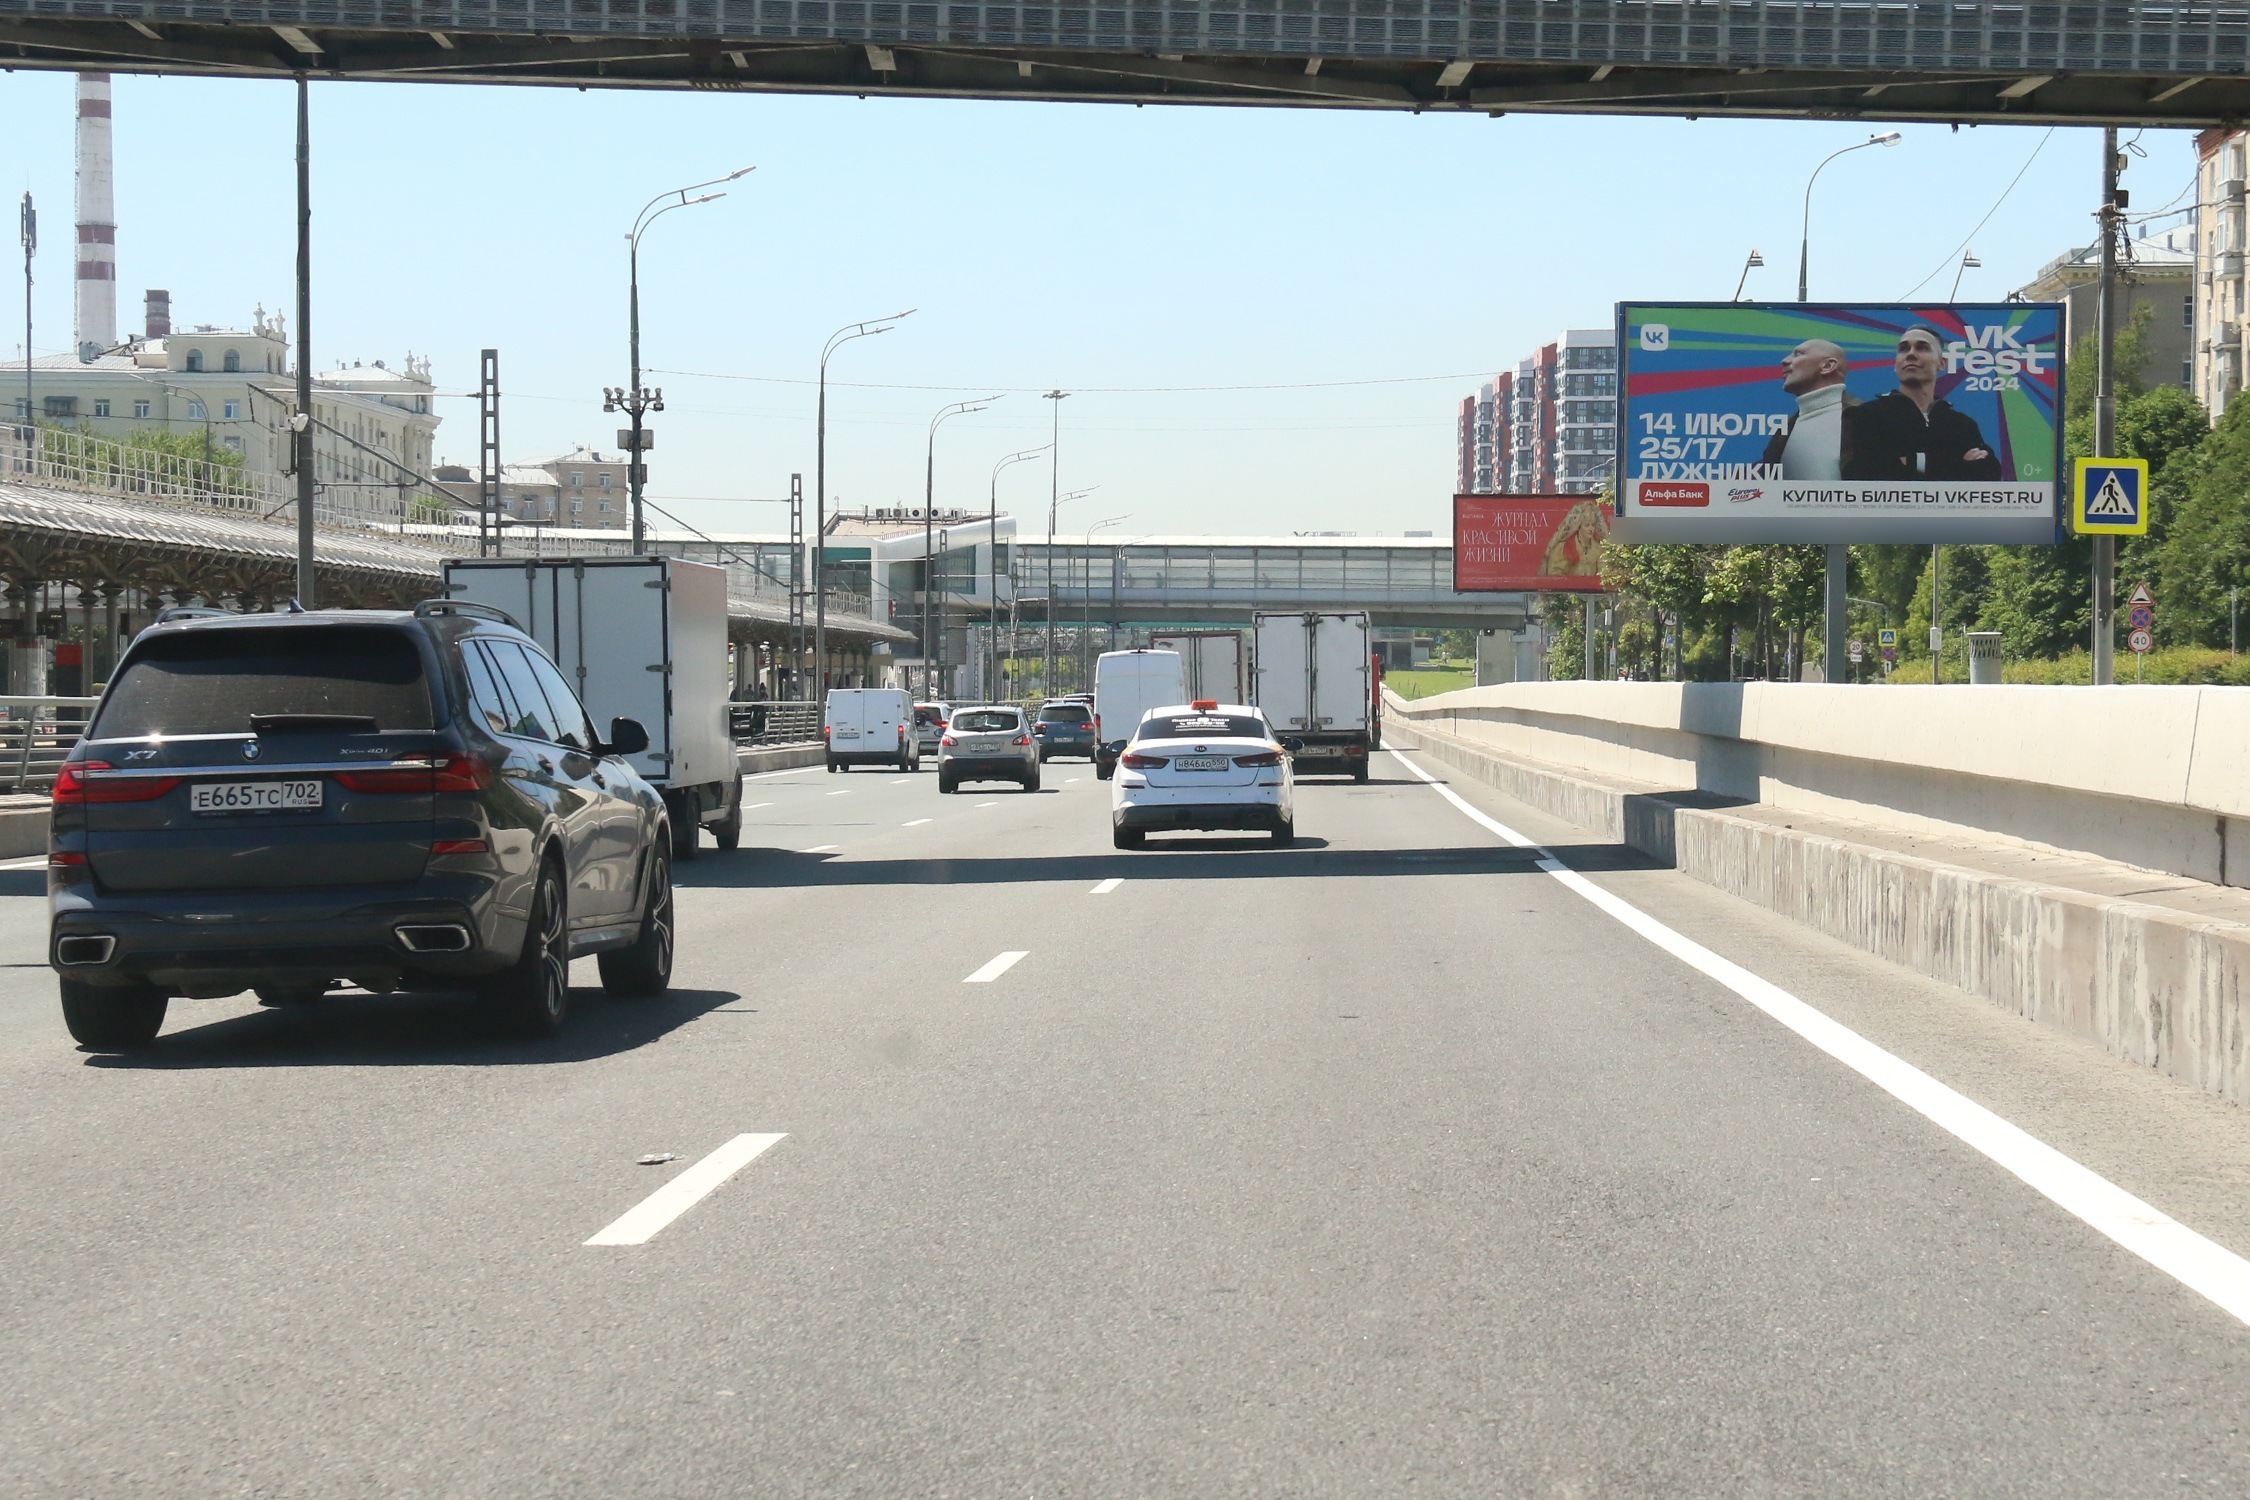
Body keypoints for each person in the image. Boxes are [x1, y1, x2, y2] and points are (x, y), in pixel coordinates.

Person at [1839, 325, 2001, 481]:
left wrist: (1910, 462)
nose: (1911, 354)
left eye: (1922, 348)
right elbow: (1863, 472)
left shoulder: (1963, 425)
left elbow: (1989, 472)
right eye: (1903, 349)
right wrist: (1958, 465)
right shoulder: (1866, 416)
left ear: (1942, 363)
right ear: (1896, 364)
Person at [1759, 338, 1857, 479]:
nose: (1784, 361)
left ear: (1827, 366)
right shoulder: (1783, 431)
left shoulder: (1866, 421)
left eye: (1798, 354)